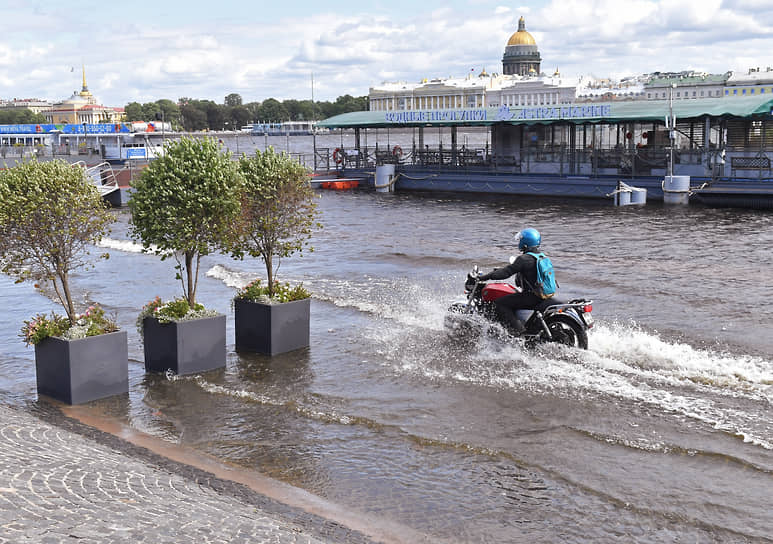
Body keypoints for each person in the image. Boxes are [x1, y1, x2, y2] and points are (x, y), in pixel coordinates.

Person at [477, 228, 550, 336]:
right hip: (543, 295)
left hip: (532, 297)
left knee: (499, 303)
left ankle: (518, 333)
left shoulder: (524, 259)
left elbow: (506, 272)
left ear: (525, 242)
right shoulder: (542, 256)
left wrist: (485, 277)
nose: (519, 242)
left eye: (521, 240)